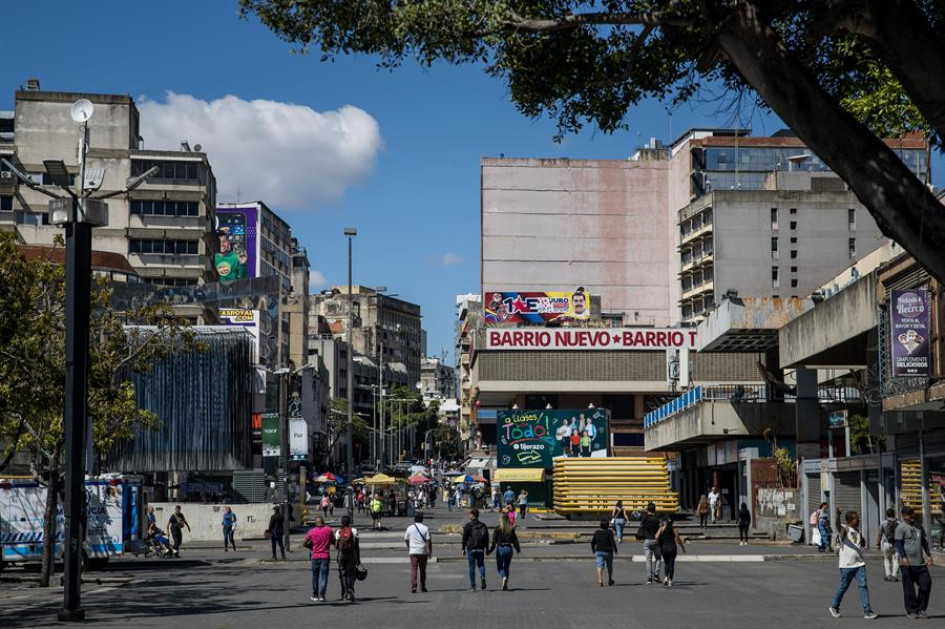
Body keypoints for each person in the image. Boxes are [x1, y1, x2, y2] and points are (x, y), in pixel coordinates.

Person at [828, 509, 877, 619]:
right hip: (846, 565)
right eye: (856, 519)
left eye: (858, 519)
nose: (858, 520)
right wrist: (838, 515)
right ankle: (834, 607)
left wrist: (862, 538)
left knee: (863, 586)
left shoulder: (857, 530)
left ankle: (867, 611)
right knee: (843, 587)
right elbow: (837, 525)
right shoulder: (845, 529)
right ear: (850, 520)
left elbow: (861, 543)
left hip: (859, 563)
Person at [895, 505, 934, 619]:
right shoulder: (901, 528)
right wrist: (903, 557)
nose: (912, 516)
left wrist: (929, 555)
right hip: (907, 564)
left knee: (926, 584)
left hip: (920, 563)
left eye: (913, 513)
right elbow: (898, 543)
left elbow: (924, 542)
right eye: (909, 514)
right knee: (909, 588)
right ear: (904, 515)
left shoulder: (918, 526)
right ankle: (911, 610)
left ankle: (921, 608)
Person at [304, 516, 334, 603]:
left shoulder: (312, 531)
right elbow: (332, 540)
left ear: (315, 523)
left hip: (315, 556)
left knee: (315, 576)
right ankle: (322, 595)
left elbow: (304, 543)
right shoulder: (328, 530)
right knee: (324, 576)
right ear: (323, 522)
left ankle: (315, 595)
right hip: (325, 555)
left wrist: (311, 547)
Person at [488, 513, 521, 591]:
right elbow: (515, 541)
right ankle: (506, 584)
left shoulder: (497, 529)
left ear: (501, 520)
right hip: (509, 549)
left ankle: (503, 577)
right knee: (506, 567)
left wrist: (489, 551)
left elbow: (493, 542)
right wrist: (518, 549)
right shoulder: (511, 529)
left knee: (500, 567)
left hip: (500, 549)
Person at [461, 508, 489, 591]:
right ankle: (483, 576)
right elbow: (486, 538)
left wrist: (463, 548)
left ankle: (473, 586)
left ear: (473, 515)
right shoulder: (483, 525)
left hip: (471, 549)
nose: (469, 515)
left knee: (471, 567)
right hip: (481, 548)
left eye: (470, 514)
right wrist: (487, 548)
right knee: (481, 565)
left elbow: (464, 538)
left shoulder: (468, 526)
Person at [404, 512, 433, 593]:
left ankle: (414, 586)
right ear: (422, 519)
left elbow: (406, 539)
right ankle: (422, 586)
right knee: (422, 570)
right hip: (423, 552)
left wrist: (409, 547)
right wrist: (430, 551)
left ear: (415, 519)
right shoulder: (425, 528)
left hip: (413, 551)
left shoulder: (409, 528)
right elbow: (428, 541)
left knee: (414, 569)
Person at [335, 515, 360, 602]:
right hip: (352, 554)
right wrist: (358, 558)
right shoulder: (354, 531)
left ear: (342, 522)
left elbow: (336, 546)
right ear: (349, 522)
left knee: (343, 573)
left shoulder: (338, 532)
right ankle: (350, 589)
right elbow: (357, 546)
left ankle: (345, 591)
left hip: (342, 555)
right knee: (351, 573)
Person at [656, 516, 686, 587]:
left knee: (666, 563)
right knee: (671, 564)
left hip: (664, 547)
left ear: (665, 521)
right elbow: (678, 540)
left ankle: (666, 577)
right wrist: (683, 548)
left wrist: (660, 542)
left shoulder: (662, 528)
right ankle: (670, 581)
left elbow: (656, 536)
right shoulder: (674, 529)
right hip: (672, 547)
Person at [875, 508, 901, 582]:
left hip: (886, 543)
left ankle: (888, 575)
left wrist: (878, 544)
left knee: (887, 559)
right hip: (896, 544)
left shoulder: (883, 523)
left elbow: (880, 534)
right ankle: (894, 575)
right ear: (894, 514)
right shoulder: (899, 523)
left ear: (887, 514)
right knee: (896, 560)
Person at [591, 518, 618, 587]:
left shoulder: (597, 532)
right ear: (608, 525)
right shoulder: (609, 532)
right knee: (609, 566)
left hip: (599, 551)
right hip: (608, 551)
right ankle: (609, 579)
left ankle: (600, 580)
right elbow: (612, 542)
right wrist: (615, 550)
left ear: (600, 525)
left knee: (599, 565)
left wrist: (593, 549)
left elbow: (593, 542)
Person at [640, 502, 662, 584]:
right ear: (655, 509)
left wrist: (645, 511)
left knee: (648, 560)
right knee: (658, 558)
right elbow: (662, 525)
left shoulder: (645, 518)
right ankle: (656, 575)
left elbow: (641, 523)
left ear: (648, 509)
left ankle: (649, 578)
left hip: (647, 540)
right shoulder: (657, 518)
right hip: (656, 540)